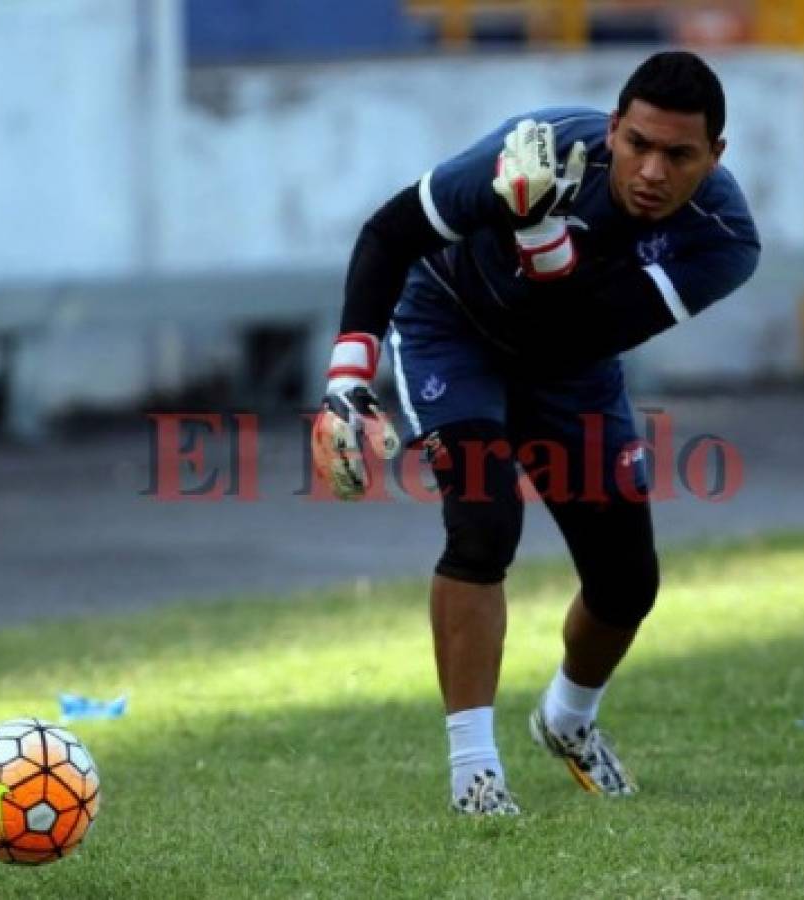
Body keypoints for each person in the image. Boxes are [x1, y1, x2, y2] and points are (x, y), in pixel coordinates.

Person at [311, 50, 760, 815]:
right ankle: (474, 771)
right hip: (455, 329)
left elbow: (588, 323)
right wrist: (347, 381)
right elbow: (389, 234)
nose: (652, 170)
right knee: (484, 524)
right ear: (612, 128)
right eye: (637, 144)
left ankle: (567, 720)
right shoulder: (538, 147)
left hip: (571, 363)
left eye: (678, 155)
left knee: (627, 583)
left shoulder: (722, 238)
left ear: (714, 157)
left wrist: (538, 231)